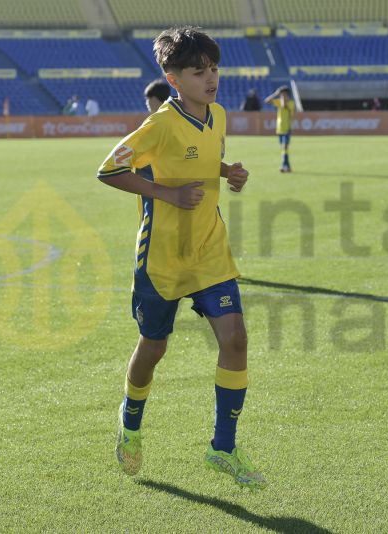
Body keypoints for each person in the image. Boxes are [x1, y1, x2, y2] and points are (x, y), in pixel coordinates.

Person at [96, 26, 266, 490]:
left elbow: (200, 159)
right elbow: (108, 170)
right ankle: (130, 423)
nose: (211, 78)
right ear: (173, 79)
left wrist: (227, 171)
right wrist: (166, 193)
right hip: (163, 259)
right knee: (154, 348)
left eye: (214, 69)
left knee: (236, 341)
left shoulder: (219, 115)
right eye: (198, 72)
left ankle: (223, 448)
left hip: (210, 250)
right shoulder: (159, 125)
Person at [264, 85, 295, 172]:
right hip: (279, 128)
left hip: (287, 128)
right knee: (283, 148)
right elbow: (266, 101)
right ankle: (288, 167)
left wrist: (283, 99)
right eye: (281, 94)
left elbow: (285, 106)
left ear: (287, 95)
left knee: (284, 147)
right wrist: (275, 94)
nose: (282, 96)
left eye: (284, 94)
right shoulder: (279, 102)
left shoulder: (291, 103)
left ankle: (283, 166)